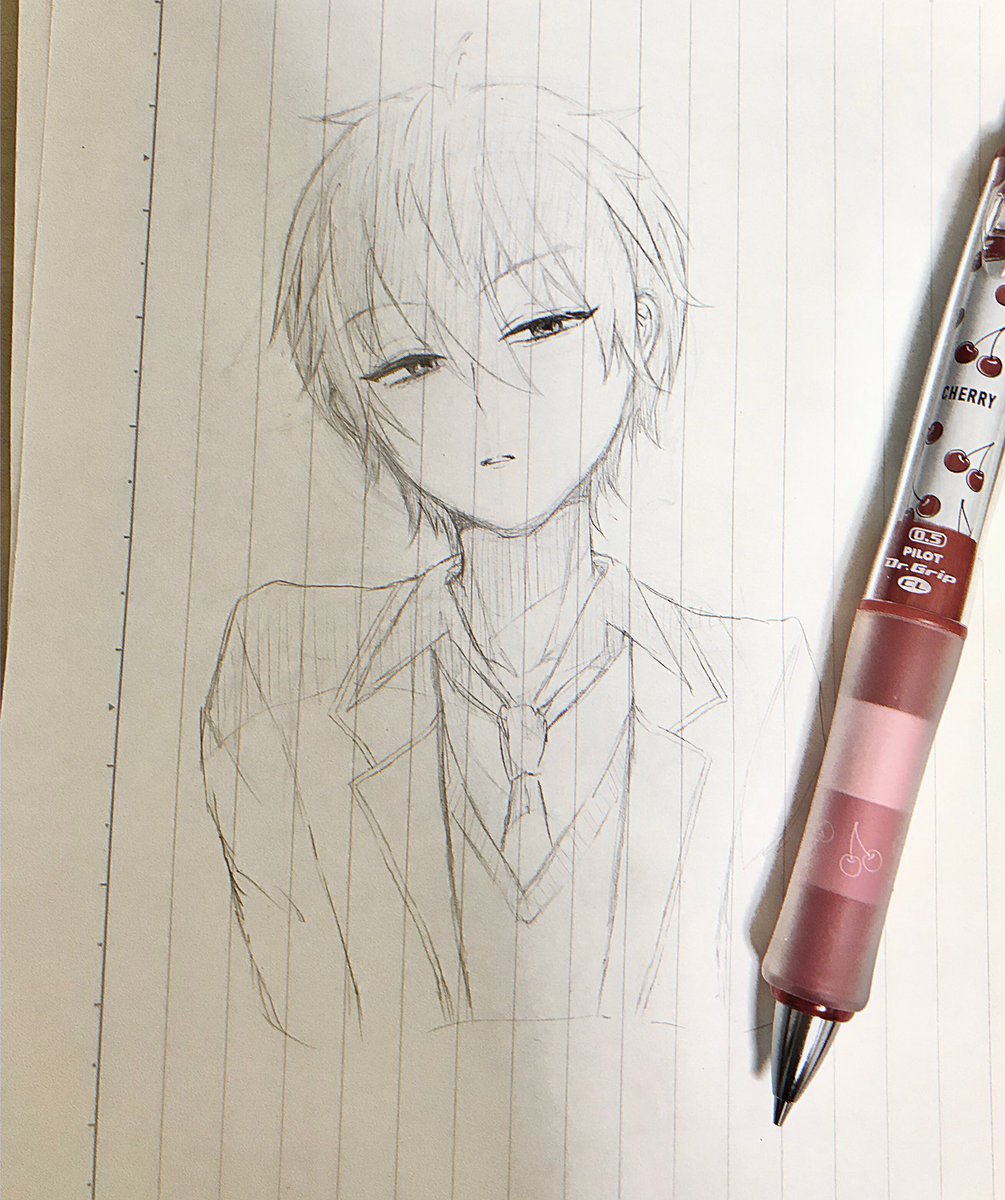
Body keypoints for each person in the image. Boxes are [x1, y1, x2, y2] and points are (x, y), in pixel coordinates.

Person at [201, 76, 819, 1197]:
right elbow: (299, 1035)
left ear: (639, 327)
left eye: (542, 325)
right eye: (407, 362)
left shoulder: (752, 675)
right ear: (352, 402)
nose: (489, 403)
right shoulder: (282, 671)